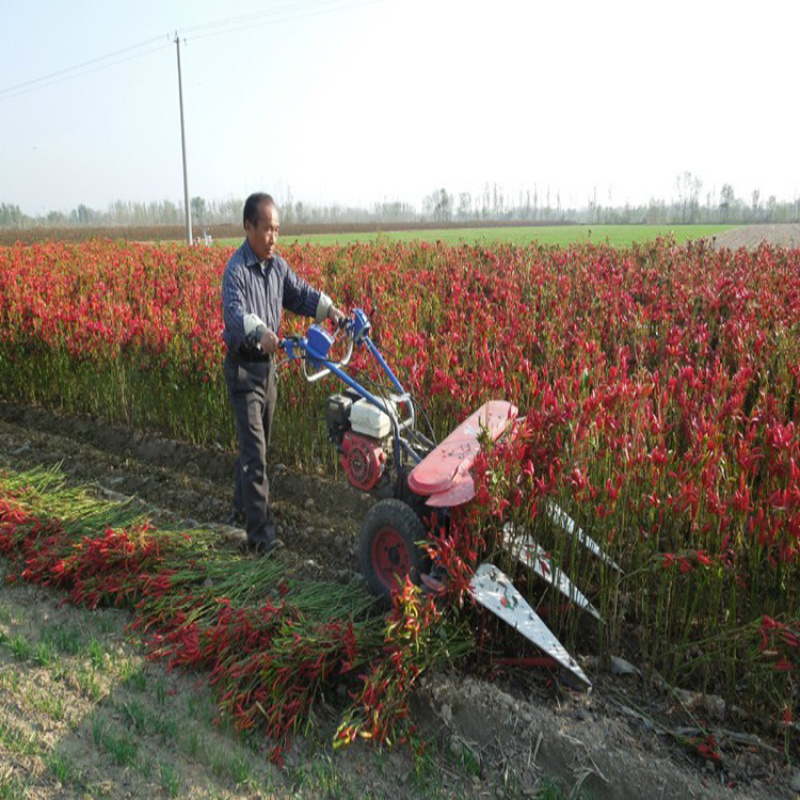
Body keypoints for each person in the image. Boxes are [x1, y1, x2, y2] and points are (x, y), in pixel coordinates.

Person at [221, 192, 346, 553]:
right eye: (267, 230)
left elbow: (301, 294)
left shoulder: (277, 268)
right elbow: (235, 314)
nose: (273, 238)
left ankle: (241, 507)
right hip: (244, 371)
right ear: (249, 227)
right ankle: (261, 538)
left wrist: (331, 311)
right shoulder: (237, 271)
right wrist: (261, 332)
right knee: (255, 455)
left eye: (277, 230)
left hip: (268, 372)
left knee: (256, 448)